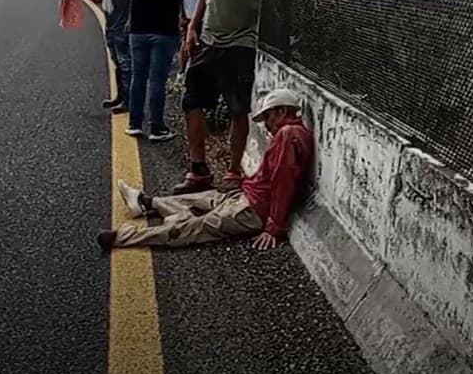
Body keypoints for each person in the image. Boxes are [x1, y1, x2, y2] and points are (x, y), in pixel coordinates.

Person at [178, 0, 327, 194]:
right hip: (208, 40)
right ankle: (198, 170)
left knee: (237, 109)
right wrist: (193, 28)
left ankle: (233, 172)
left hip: (239, 45)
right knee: (191, 102)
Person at [96, 87, 313, 252]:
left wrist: (274, 226)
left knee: (196, 227)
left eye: (268, 117)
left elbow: (283, 182)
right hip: (245, 198)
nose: (266, 124)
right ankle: (147, 203)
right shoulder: (293, 134)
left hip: (250, 209)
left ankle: (125, 238)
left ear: (282, 110)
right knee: (198, 200)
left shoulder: (288, 136)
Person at [125, 0, 204, 142]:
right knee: (157, 80)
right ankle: (157, 128)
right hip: (165, 30)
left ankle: (134, 124)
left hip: (138, 29)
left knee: (138, 77)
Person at [74, 0, 131, 114]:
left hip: (123, 25)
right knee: (116, 62)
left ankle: (129, 101)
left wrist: (131, 19)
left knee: (126, 64)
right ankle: (120, 97)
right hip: (110, 24)